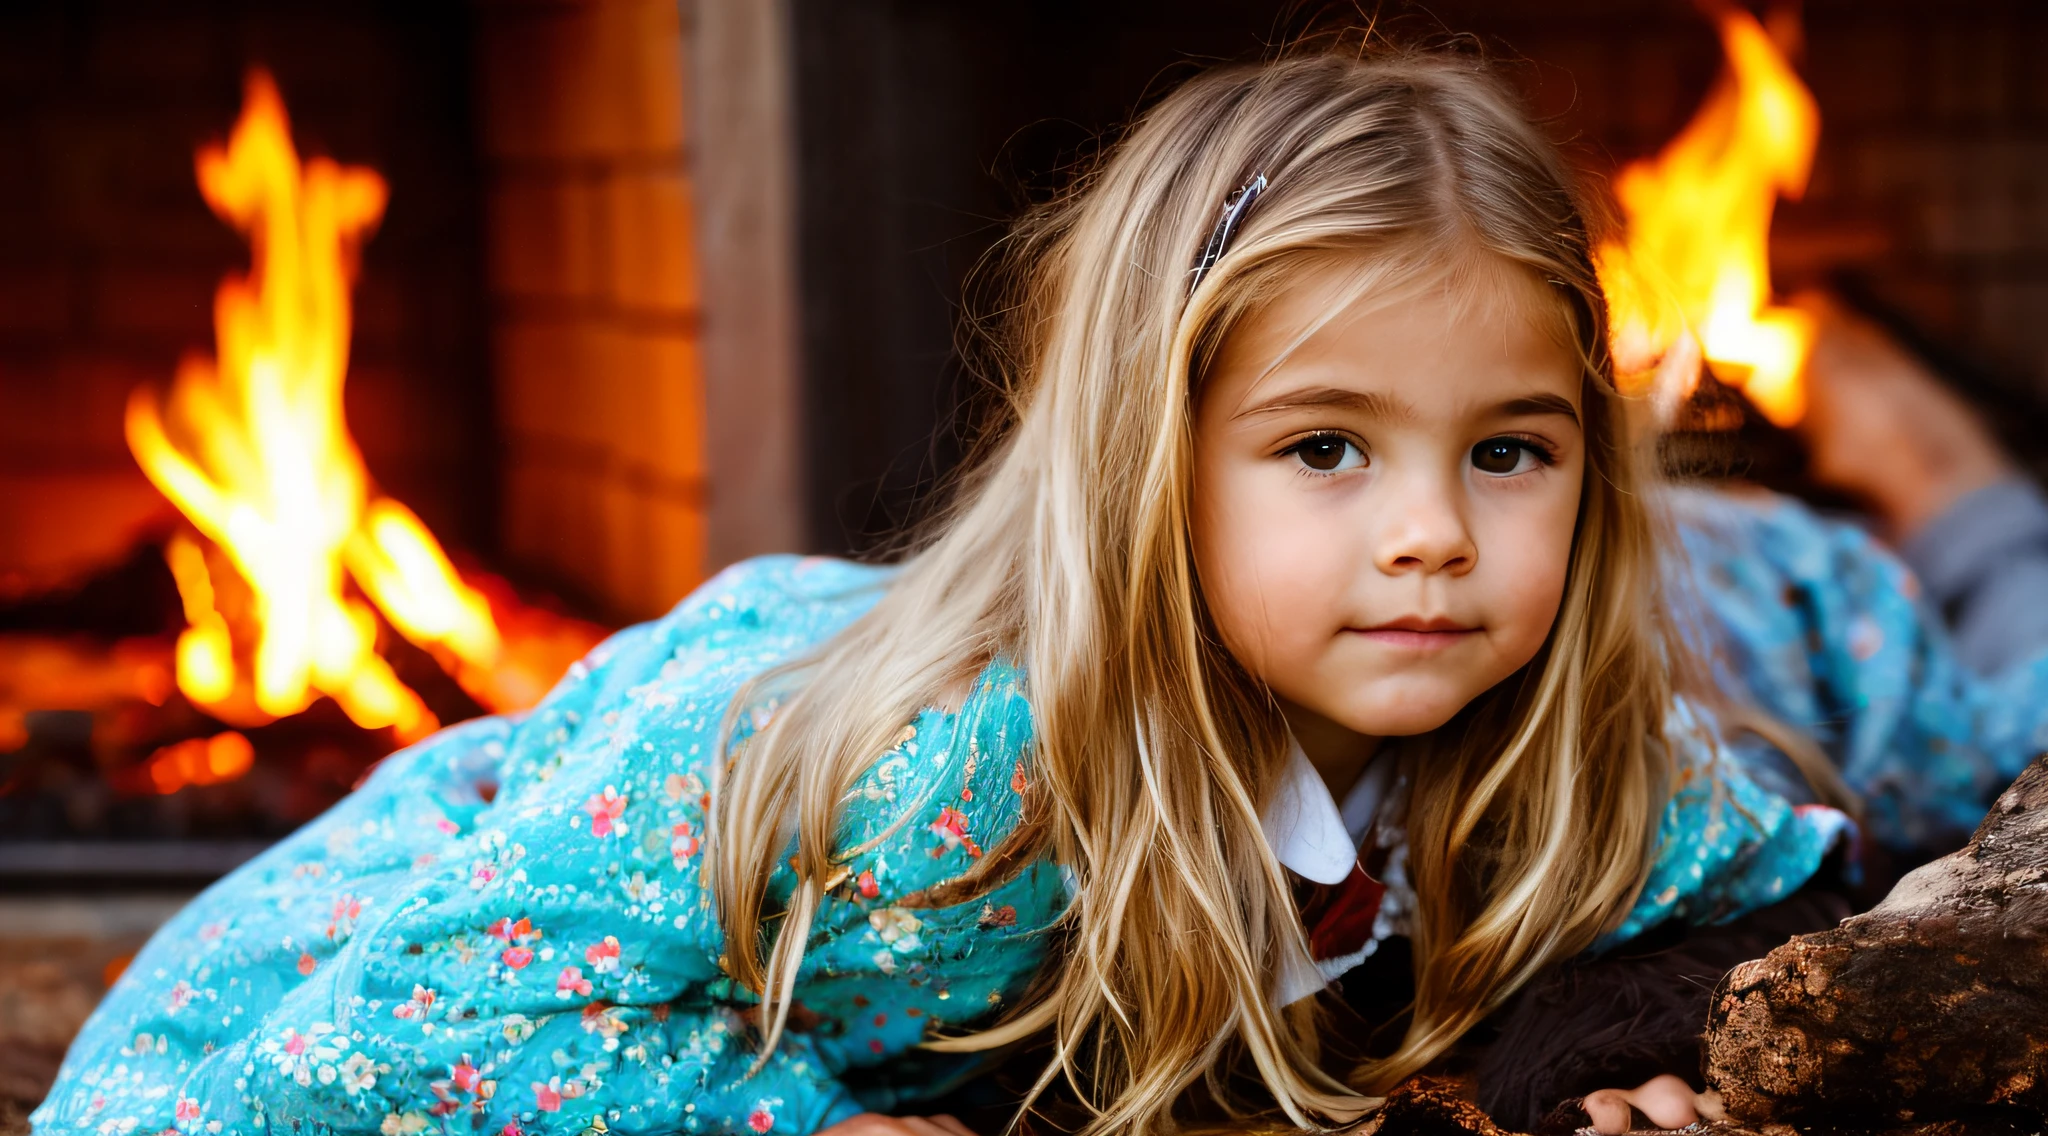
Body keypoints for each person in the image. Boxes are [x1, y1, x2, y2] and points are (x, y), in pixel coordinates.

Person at [32, 48, 2048, 1136]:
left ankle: (1954, 499)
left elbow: (1756, 892)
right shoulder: (935, 772)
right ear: (1134, 472)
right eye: (1325, 445)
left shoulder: (1593, 706)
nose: (1433, 530)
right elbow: (414, 1010)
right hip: (375, 944)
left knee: (1999, 713)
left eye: (1506, 450)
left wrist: (1681, 1059)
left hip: (1785, 595)